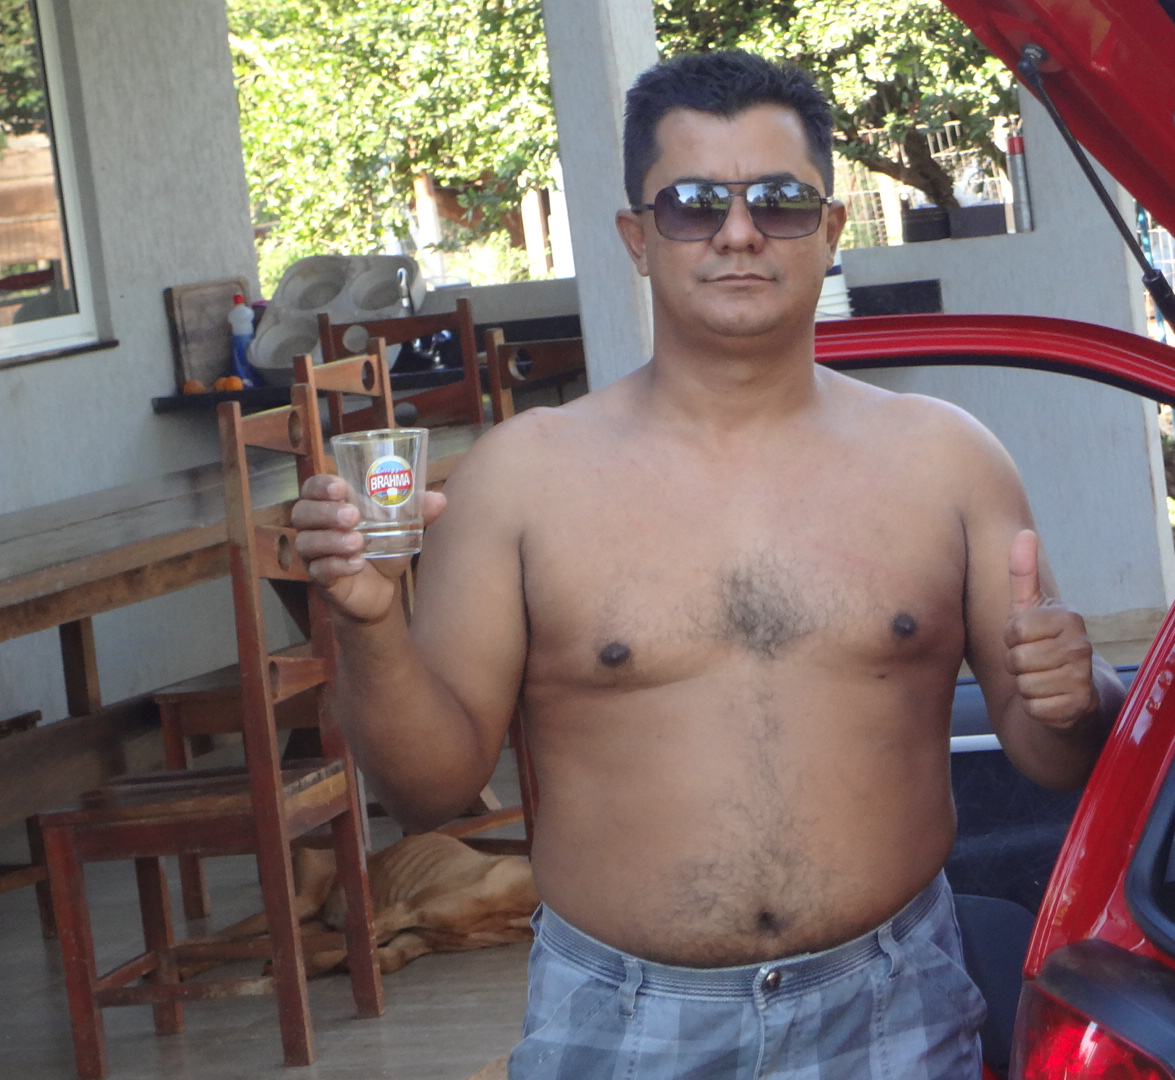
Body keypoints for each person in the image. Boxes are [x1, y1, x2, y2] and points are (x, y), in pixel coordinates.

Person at [290, 50, 1124, 1080]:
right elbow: (428, 791)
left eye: (780, 201)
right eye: (692, 204)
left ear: (831, 228)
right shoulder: (523, 477)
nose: (737, 232)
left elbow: (1049, 753)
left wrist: (1079, 692)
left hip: (895, 1012)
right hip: (621, 1029)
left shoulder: (948, 461)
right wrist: (369, 625)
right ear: (636, 238)